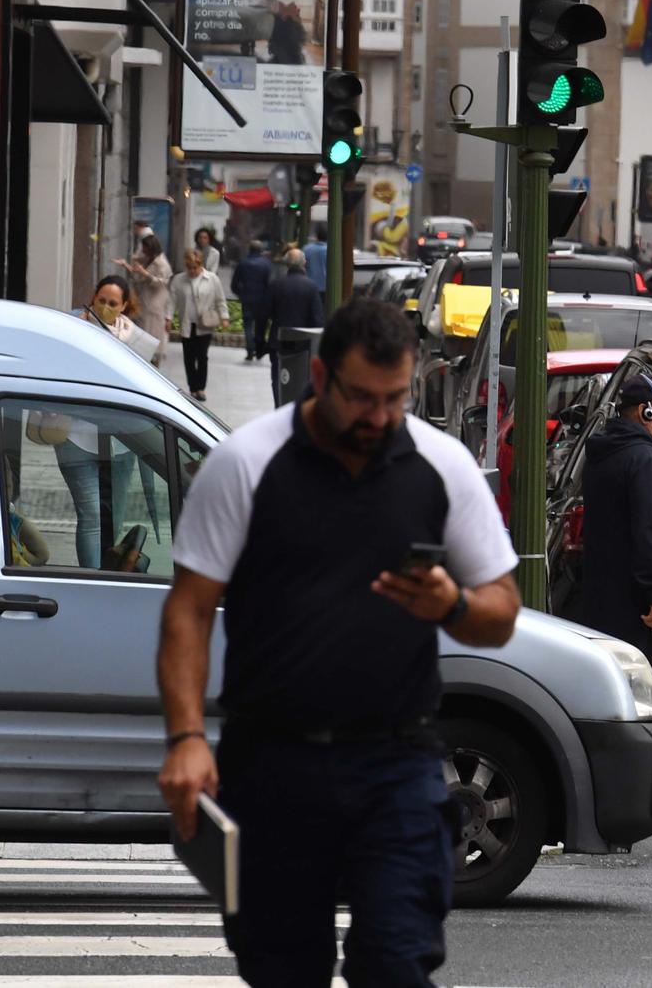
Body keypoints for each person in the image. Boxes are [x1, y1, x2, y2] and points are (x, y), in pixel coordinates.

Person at [157, 300, 519, 987]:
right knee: (284, 970)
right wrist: (186, 738)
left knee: (395, 961)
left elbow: (501, 610)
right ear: (320, 376)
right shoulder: (247, 463)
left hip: (398, 762)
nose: (379, 417)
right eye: (361, 397)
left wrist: (455, 603)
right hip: (271, 762)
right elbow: (188, 609)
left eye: (395, 397)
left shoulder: (441, 466)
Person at [569, 373, 652, 669]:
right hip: (636, 606)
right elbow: (650, 530)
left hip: (607, 597)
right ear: (644, 411)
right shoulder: (644, 459)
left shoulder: (608, 452)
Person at [260, 248, 327, 398]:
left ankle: (279, 406)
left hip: (278, 342)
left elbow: (263, 315)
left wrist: (259, 341)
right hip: (304, 346)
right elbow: (318, 320)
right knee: (302, 380)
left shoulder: (276, 285)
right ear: (304, 263)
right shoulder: (311, 287)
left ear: (286, 264)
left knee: (278, 379)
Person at [171, 250, 231, 402]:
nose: (192, 271)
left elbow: (220, 300)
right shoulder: (179, 280)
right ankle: (192, 388)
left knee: (202, 357)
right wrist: (168, 318)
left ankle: (201, 388)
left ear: (200, 265)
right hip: (187, 323)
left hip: (204, 325)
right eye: (189, 267)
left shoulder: (212, 279)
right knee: (188, 358)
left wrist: (224, 317)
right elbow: (171, 301)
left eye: (195, 267)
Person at [118, 234, 174, 364]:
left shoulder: (161, 263)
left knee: (153, 334)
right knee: (143, 333)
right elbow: (138, 275)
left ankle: (154, 362)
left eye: (144, 248)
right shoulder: (147, 259)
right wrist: (127, 266)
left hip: (155, 303)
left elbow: (160, 282)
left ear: (151, 248)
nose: (142, 251)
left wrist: (145, 273)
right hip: (144, 301)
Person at [232, 242, 273, 361]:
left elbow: (234, 283)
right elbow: (269, 283)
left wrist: (240, 294)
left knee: (248, 325)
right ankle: (258, 349)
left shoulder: (243, 263)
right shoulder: (266, 264)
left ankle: (250, 349)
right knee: (260, 326)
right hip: (262, 299)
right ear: (260, 250)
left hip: (247, 298)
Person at [303, 227, 329, 291]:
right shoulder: (329, 251)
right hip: (325, 286)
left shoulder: (306, 249)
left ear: (317, 237)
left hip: (308, 285)